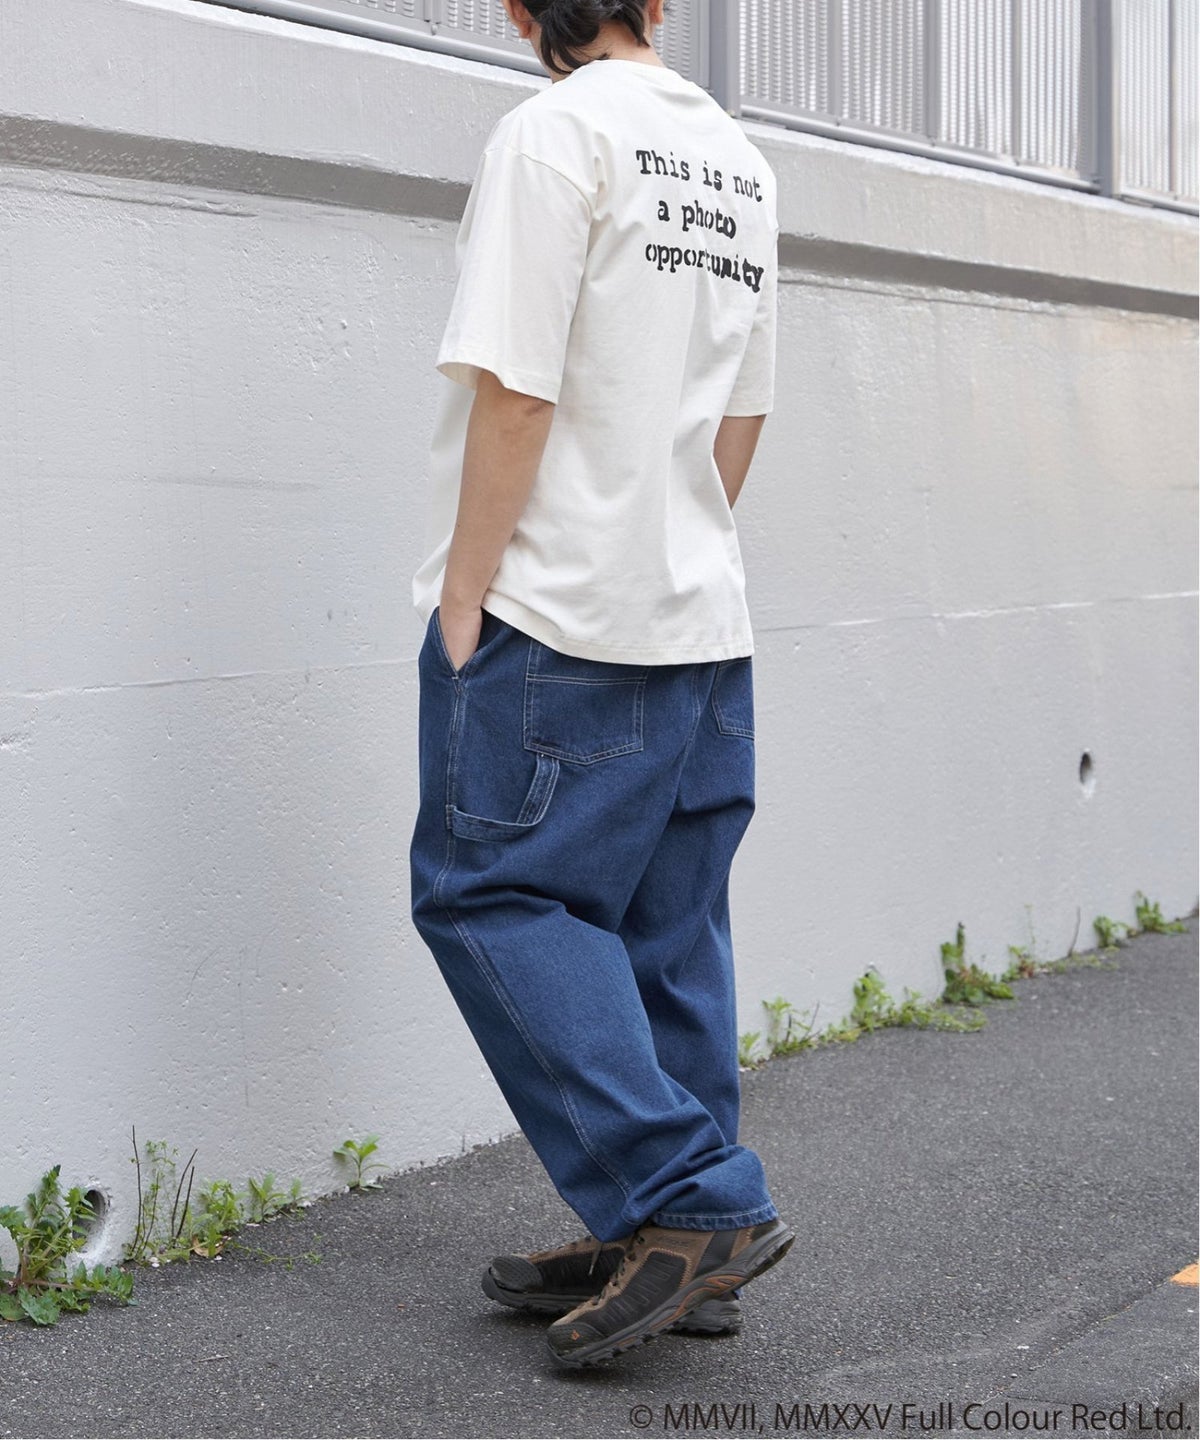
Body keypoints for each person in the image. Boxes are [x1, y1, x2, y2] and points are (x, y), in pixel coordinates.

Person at [409, 0, 793, 1369]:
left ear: (522, 10)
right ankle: (671, 1244)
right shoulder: (738, 161)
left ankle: (687, 1197)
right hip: (698, 615)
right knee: (664, 929)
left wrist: (467, 593)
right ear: (660, 3)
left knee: (488, 895)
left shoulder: (553, 137)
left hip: (557, 614)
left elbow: (518, 394)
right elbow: (741, 414)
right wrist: (672, 548)